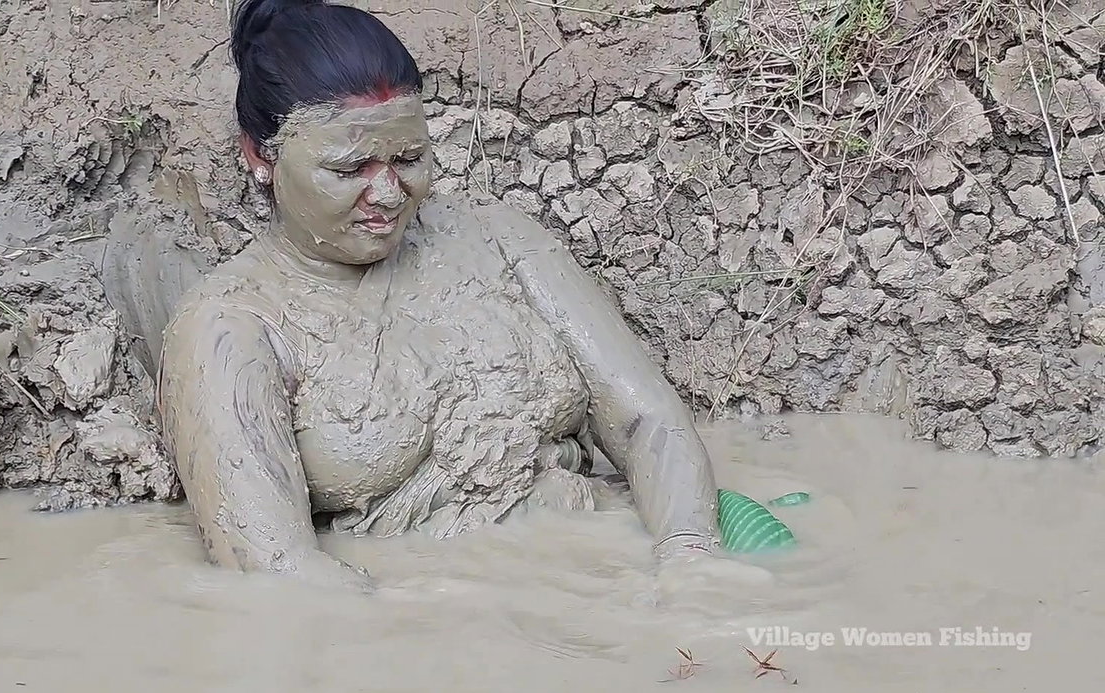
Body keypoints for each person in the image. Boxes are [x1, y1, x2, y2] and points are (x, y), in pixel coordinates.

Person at [157, 0, 732, 590]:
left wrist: (692, 562)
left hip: (601, 572)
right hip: (426, 619)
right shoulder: (229, 327)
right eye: (350, 168)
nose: (386, 193)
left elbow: (646, 422)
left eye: (409, 158)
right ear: (261, 155)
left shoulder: (497, 237)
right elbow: (281, 576)